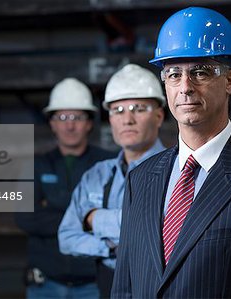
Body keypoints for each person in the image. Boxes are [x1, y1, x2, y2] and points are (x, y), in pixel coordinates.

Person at [111, 7, 231, 298]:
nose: (185, 87)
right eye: (173, 74)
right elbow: (124, 290)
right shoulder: (140, 179)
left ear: (230, 80)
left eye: (200, 72)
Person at [58, 64, 166, 298]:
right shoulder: (96, 175)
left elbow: (165, 231)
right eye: (118, 110)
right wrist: (110, 248)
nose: (127, 119)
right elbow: (66, 237)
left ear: (158, 116)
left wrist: (95, 219)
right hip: (108, 285)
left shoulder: (179, 170)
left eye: (138, 108)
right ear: (110, 119)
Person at [15, 78, 114, 299]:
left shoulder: (107, 165)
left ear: (89, 122)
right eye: (62, 117)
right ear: (52, 123)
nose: (70, 125)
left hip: (94, 285)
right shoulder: (36, 166)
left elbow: (116, 214)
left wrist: (50, 206)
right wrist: (87, 217)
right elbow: (24, 217)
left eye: (77, 117)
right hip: (45, 285)